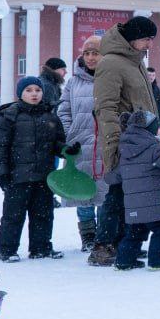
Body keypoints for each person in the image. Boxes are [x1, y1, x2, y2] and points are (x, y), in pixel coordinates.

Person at [92, 15, 159, 267]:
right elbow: (106, 107)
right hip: (124, 141)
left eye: (152, 39)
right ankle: (103, 245)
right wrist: (114, 143)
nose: (149, 44)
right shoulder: (111, 63)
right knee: (117, 192)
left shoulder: (135, 62)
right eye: (145, 39)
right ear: (131, 39)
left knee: (131, 193)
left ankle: (123, 243)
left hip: (140, 140)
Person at [0, 77, 76, 261]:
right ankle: (7, 250)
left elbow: (56, 143)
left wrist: (66, 149)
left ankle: (41, 247)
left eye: (37, 90)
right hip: (17, 177)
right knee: (13, 216)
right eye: (29, 90)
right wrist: (1, 174)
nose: (34, 94)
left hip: (44, 175)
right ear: (21, 93)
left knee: (43, 214)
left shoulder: (50, 116)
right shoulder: (9, 116)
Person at [103, 110, 160, 270]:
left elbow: (116, 175)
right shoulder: (154, 149)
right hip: (155, 204)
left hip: (133, 207)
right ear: (150, 129)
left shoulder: (125, 150)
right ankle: (159, 258)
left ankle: (124, 260)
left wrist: (105, 177)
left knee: (134, 234)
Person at [57, 35, 108, 253]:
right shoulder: (73, 82)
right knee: (83, 192)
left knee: (106, 193)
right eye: (86, 53)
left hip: (106, 144)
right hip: (80, 145)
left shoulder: (112, 77)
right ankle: (88, 236)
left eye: (95, 53)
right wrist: (71, 134)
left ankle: (105, 237)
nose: (90, 57)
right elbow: (63, 110)